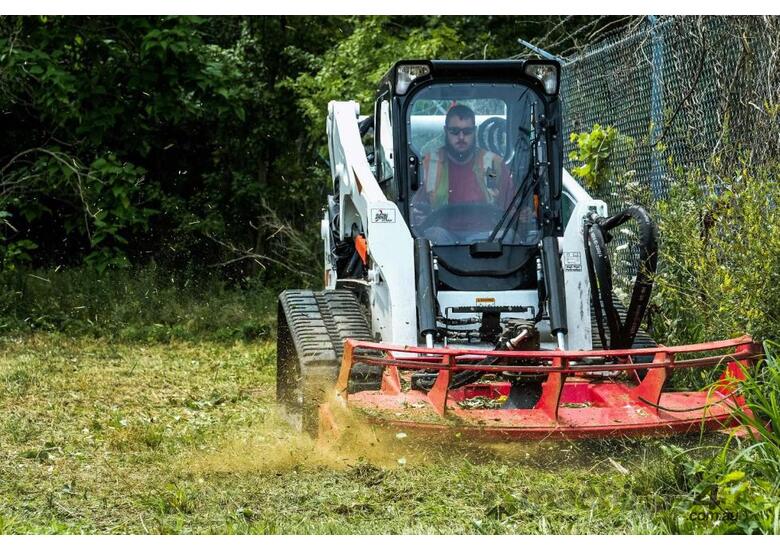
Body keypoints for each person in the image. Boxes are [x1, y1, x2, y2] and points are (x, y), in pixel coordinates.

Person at [413, 104, 515, 243]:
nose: (461, 137)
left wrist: (522, 214)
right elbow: (416, 209)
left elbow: (510, 205)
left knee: (509, 236)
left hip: (486, 238)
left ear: (475, 131)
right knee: (431, 236)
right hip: (443, 239)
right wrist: (418, 216)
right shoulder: (428, 165)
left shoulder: (492, 164)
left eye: (467, 132)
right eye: (455, 131)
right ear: (445, 131)